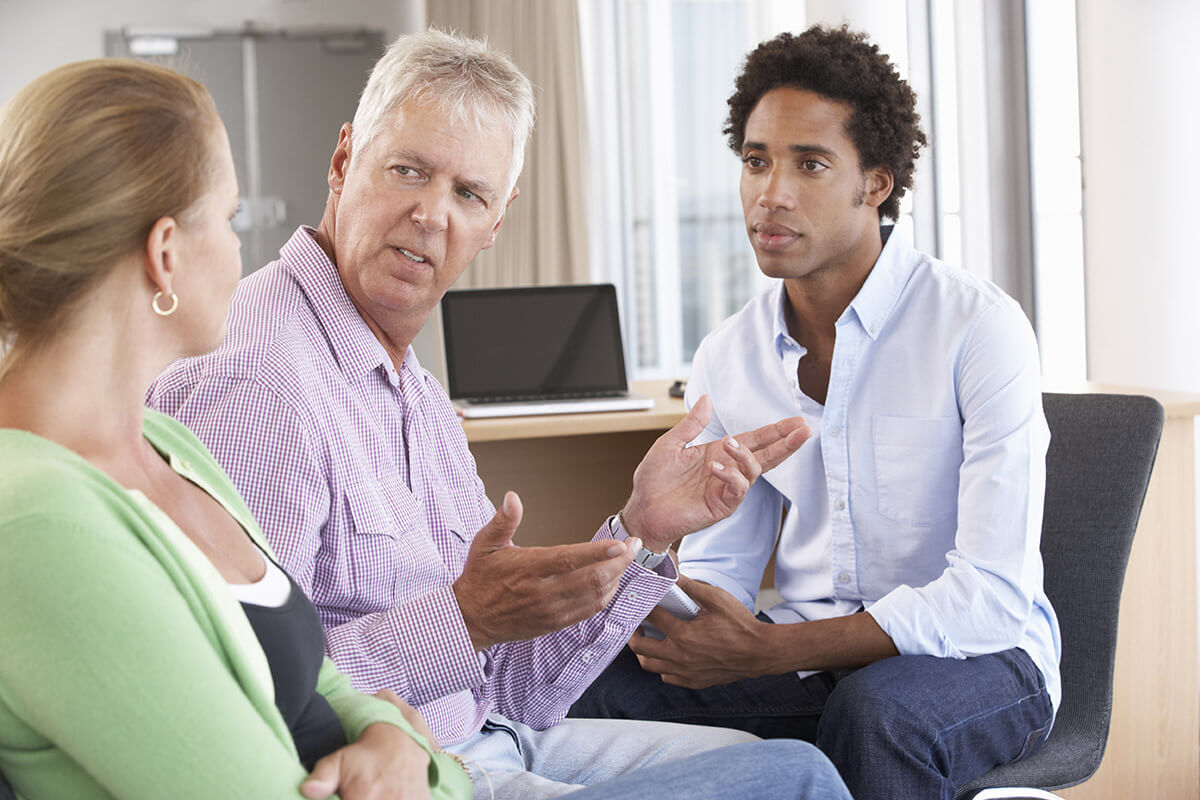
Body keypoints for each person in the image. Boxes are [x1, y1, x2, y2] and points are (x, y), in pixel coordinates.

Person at [148, 28, 851, 800]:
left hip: (500, 733)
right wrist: (465, 619)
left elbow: (519, 687)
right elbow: (235, 687)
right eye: (408, 170)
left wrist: (642, 533)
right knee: (793, 780)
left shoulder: (415, 390)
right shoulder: (261, 383)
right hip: (415, 772)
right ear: (345, 160)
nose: (430, 215)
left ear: (497, 220)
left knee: (791, 759)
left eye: (468, 193)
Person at [570, 24, 1062, 800]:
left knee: (875, 717)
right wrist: (649, 560)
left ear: (877, 183)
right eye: (756, 161)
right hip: (805, 661)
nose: (772, 193)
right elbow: (725, 574)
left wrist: (766, 651)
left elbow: (990, 597)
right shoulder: (729, 355)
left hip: (980, 660)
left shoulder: (977, 328)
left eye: (810, 163)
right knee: (606, 687)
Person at [0, 59, 470, 799]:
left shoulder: (168, 445)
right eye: (230, 219)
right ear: (165, 254)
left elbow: (322, 677)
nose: (241, 249)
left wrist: (395, 737)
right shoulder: (37, 520)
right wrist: (432, 767)